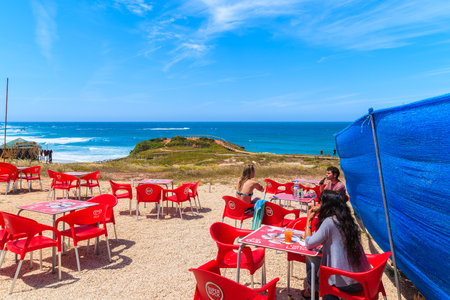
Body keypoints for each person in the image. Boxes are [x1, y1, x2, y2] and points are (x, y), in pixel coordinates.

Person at [301, 190, 370, 299]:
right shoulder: (347, 221)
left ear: (327, 205)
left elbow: (309, 243)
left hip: (347, 284)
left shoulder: (330, 222)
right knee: (318, 262)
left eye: (321, 203)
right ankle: (311, 290)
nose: (319, 206)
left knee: (311, 259)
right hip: (365, 280)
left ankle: (311, 290)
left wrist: (309, 220)